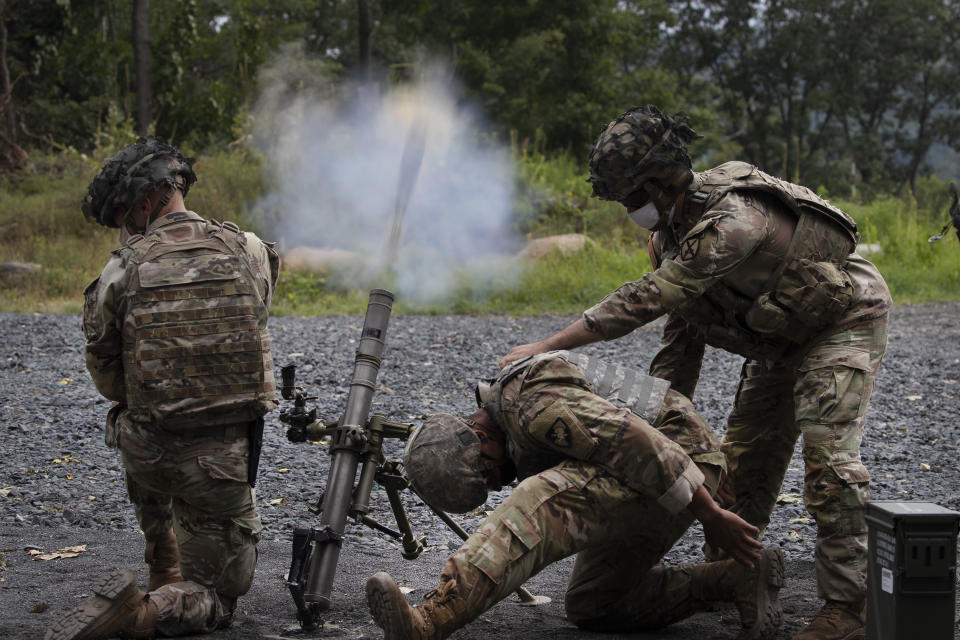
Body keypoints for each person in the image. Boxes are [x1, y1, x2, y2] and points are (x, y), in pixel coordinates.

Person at [500, 106, 891, 640]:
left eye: (633, 198)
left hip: (842, 324)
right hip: (778, 342)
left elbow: (650, 299)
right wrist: (666, 431)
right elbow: (680, 341)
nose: (629, 209)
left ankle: (848, 609)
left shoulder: (734, 223)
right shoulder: (671, 236)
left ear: (661, 181)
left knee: (828, 461)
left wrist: (548, 344)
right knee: (742, 467)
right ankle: (741, 574)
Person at [365, 350, 786, 640]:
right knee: (596, 604)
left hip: (667, 459)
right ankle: (734, 578)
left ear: (479, 436)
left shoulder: (529, 404)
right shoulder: (517, 413)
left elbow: (631, 437)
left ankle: (429, 622)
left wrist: (710, 512)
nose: (495, 486)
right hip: (670, 463)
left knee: (541, 502)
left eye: (488, 475)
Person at [46, 137, 280, 640]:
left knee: (133, 416)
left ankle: (161, 554)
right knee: (217, 598)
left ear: (147, 202)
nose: (125, 229)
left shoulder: (120, 270)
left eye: (124, 216)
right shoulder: (250, 252)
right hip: (220, 467)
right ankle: (146, 613)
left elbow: (108, 376)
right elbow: (256, 315)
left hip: (148, 456)